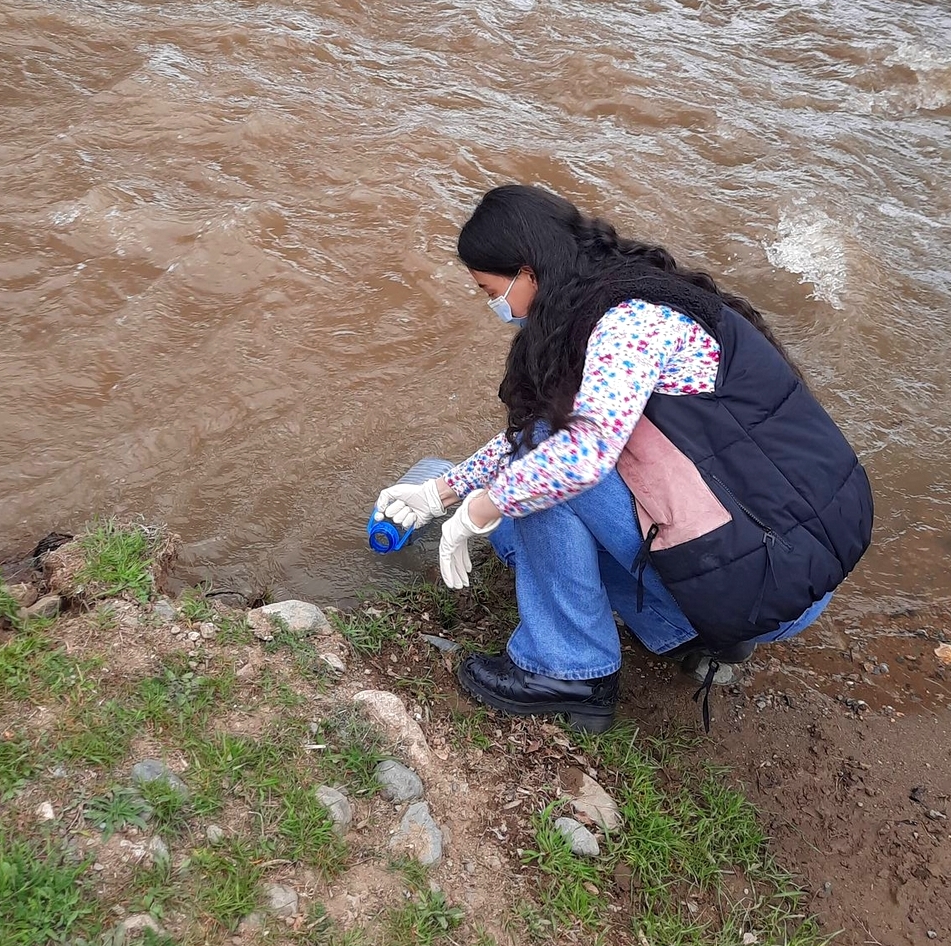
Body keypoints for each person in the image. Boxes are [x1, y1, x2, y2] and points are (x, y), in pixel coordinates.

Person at [374, 184, 872, 734]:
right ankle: (687, 630)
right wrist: (440, 493)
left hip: (769, 580)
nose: (492, 306)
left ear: (528, 273)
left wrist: (480, 509)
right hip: (781, 555)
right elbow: (554, 428)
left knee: (529, 499)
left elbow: (574, 454)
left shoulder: (628, 325)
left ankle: (568, 670)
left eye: (488, 290)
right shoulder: (631, 295)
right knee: (522, 505)